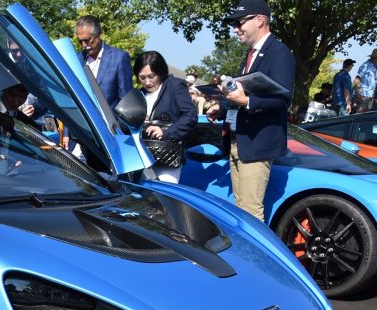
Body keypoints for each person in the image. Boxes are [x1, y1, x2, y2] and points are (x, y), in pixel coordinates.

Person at [207, 0, 295, 222]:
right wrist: (222, 107)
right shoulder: (250, 55)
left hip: (257, 145)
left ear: (260, 20)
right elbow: (241, 92)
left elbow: (282, 99)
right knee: (241, 211)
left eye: (239, 23)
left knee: (250, 214)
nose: (235, 29)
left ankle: (254, 248)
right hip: (239, 141)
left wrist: (246, 101)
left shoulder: (280, 52)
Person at [63, 15, 132, 162]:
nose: (84, 45)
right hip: (81, 138)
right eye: (80, 41)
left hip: (110, 140)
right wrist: (67, 133)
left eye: (87, 40)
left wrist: (117, 133)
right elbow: (71, 98)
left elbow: (126, 101)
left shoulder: (119, 58)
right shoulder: (75, 60)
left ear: (99, 34)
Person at [134, 51, 197, 183]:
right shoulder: (139, 94)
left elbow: (190, 116)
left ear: (161, 72)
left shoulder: (175, 85)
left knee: (164, 194)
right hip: (141, 159)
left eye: (151, 76)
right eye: (142, 78)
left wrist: (166, 132)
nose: (147, 82)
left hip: (167, 158)